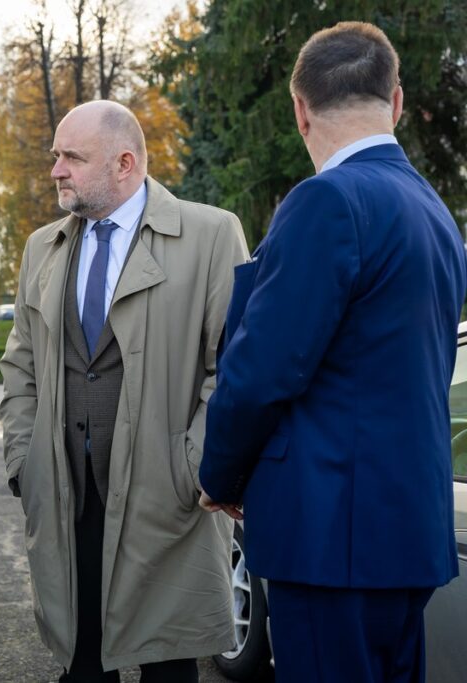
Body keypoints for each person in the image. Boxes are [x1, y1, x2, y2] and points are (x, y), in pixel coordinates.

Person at [199, 22, 467, 683]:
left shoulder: (328, 201)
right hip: (408, 528)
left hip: (331, 533)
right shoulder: (434, 210)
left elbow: (264, 368)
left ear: (299, 108)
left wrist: (221, 475)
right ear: (396, 101)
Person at [0, 99, 248, 682]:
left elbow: (232, 367)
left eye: (71, 157)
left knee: (169, 663)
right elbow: (22, 362)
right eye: (55, 156)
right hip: (66, 492)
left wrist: (197, 467)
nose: (56, 169)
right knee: (81, 662)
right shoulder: (43, 246)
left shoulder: (211, 234)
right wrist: (23, 461)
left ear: (125, 163)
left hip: (169, 497)